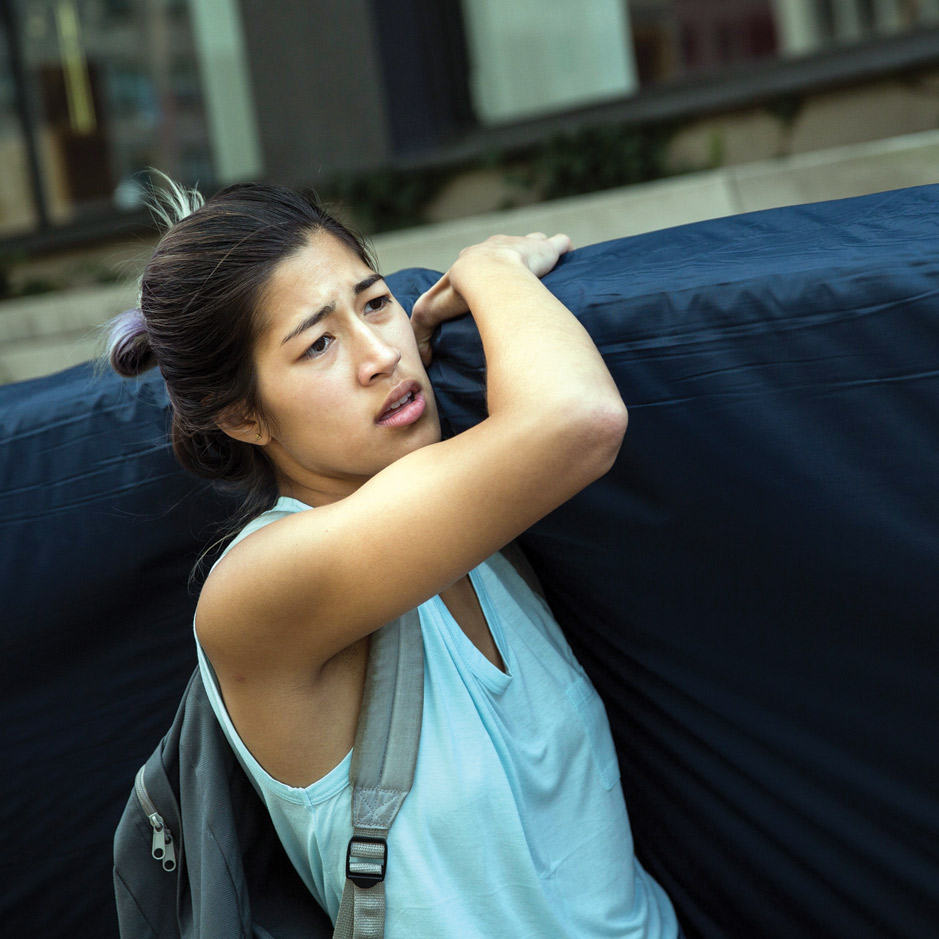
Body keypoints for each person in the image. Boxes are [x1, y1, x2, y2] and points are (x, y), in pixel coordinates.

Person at [108, 180, 679, 938]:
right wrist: (491, 266)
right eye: (318, 343)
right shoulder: (256, 587)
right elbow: (579, 418)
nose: (381, 356)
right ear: (243, 415)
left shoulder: (477, 523)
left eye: (376, 303)